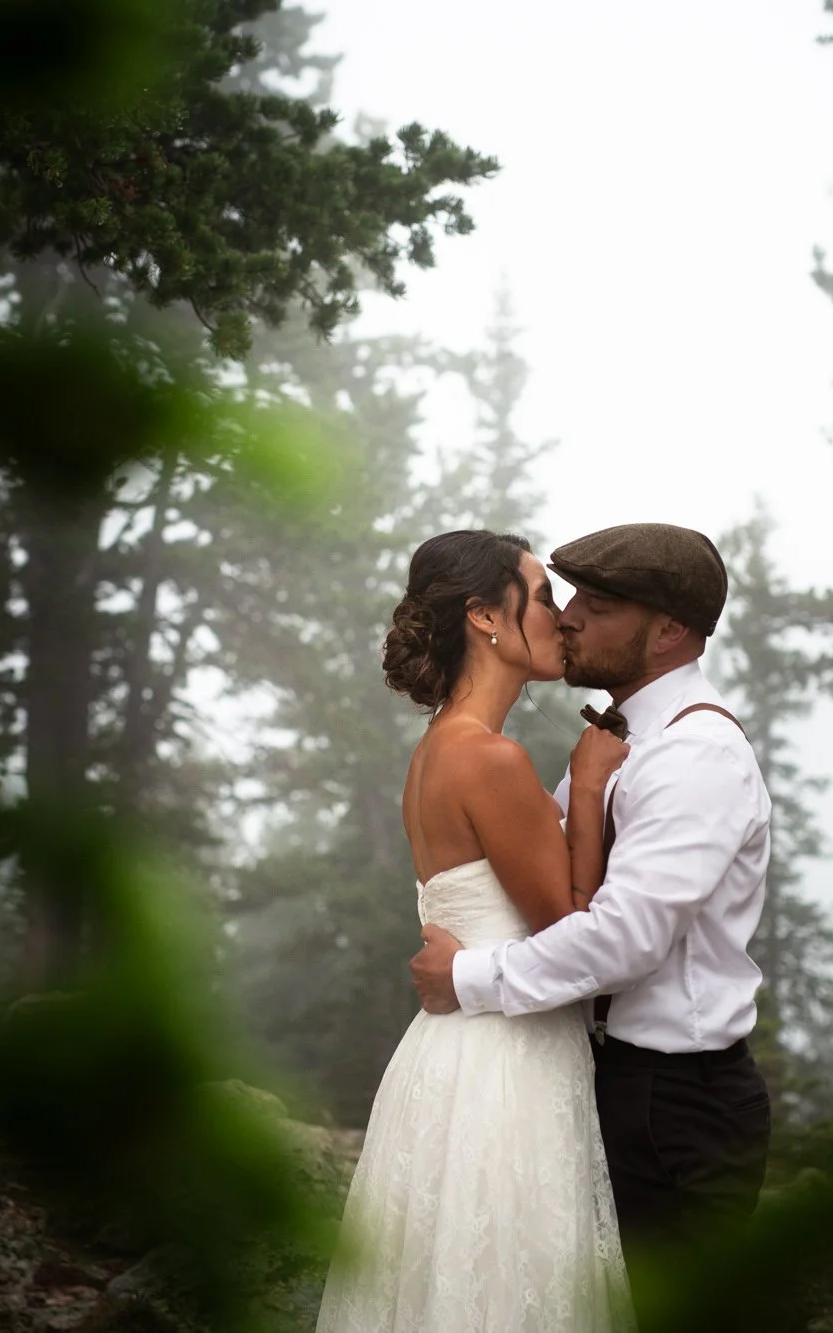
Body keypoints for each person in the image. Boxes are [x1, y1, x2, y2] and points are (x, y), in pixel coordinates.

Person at [411, 522, 774, 1283]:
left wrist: (469, 977)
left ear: (670, 629)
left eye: (598, 605)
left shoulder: (694, 753)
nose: (569, 616)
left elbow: (624, 937)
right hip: (605, 1082)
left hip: (680, 1104)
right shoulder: (614, 744)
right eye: (564, 595)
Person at [315, 529, 635, 1333]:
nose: (562, 617)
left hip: (445, 1061)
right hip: (505, 1065)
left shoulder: (434, 752)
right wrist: (590, 788)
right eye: (543, 594)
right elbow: (572, 929)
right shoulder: (488, 759)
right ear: (486, 616)